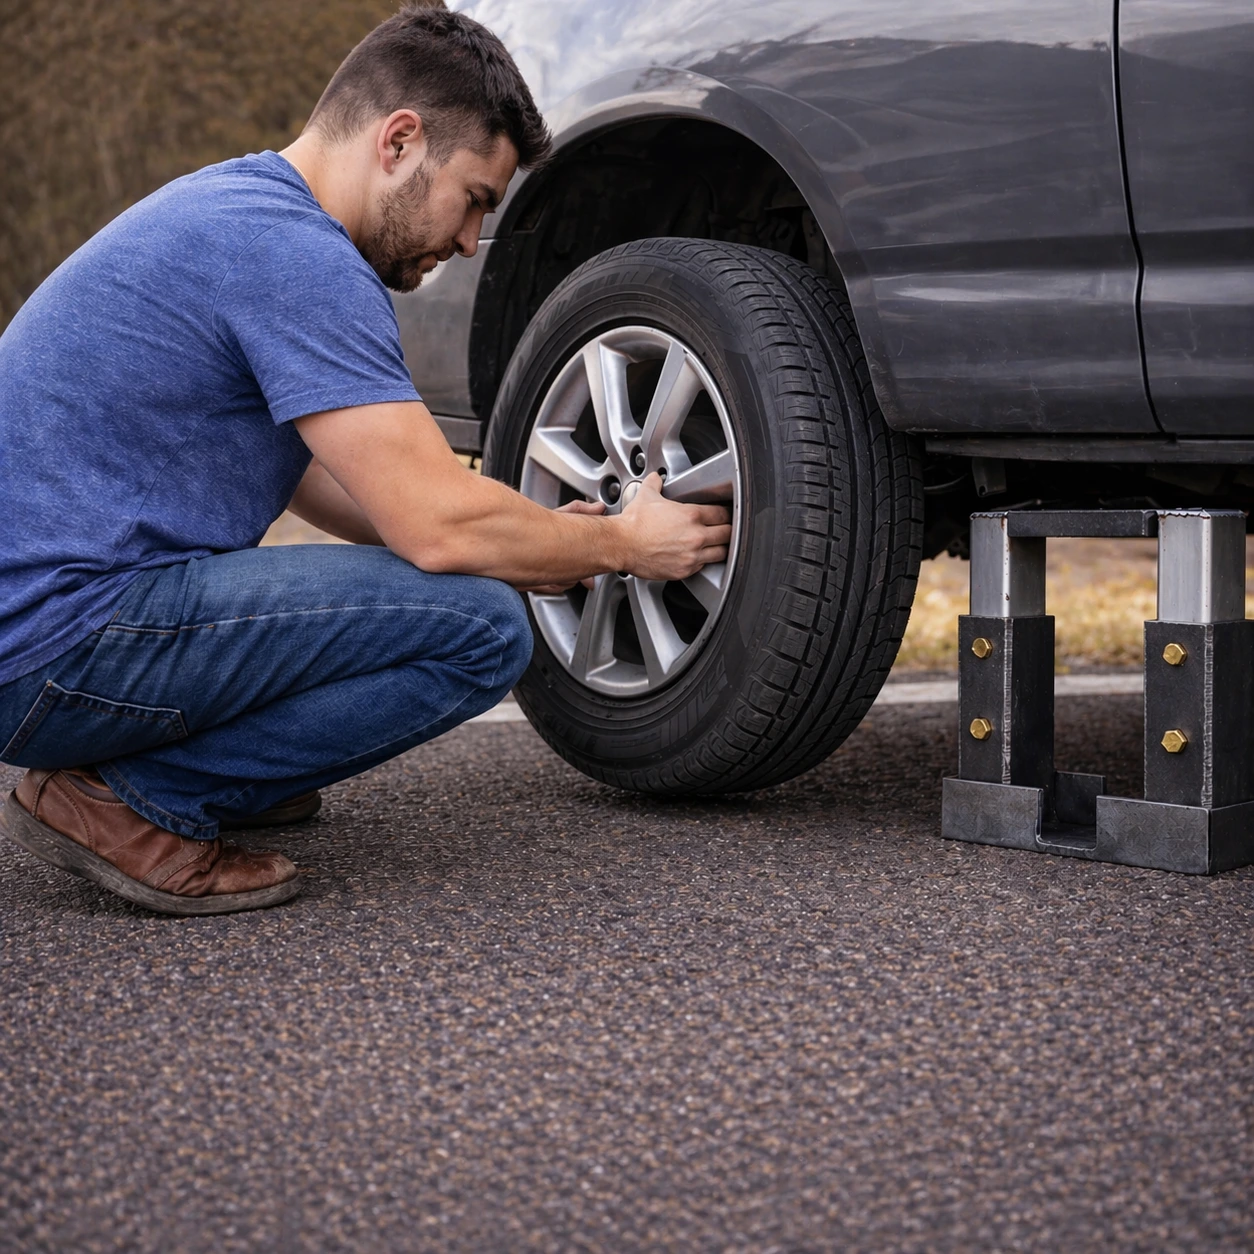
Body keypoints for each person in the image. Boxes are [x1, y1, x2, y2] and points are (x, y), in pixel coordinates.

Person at [0, 7, 730, 916]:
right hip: (56, 647)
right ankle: (135, 798)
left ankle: (187, 765)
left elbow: (336, 478)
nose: (470, 243)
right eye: (474, 199)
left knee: (460, 574)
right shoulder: (298, 256)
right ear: (400, 140)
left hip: (36, 640)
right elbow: (433, 527)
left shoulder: (236, 210)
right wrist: (622, 545)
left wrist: (533, 532)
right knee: (479, 626)